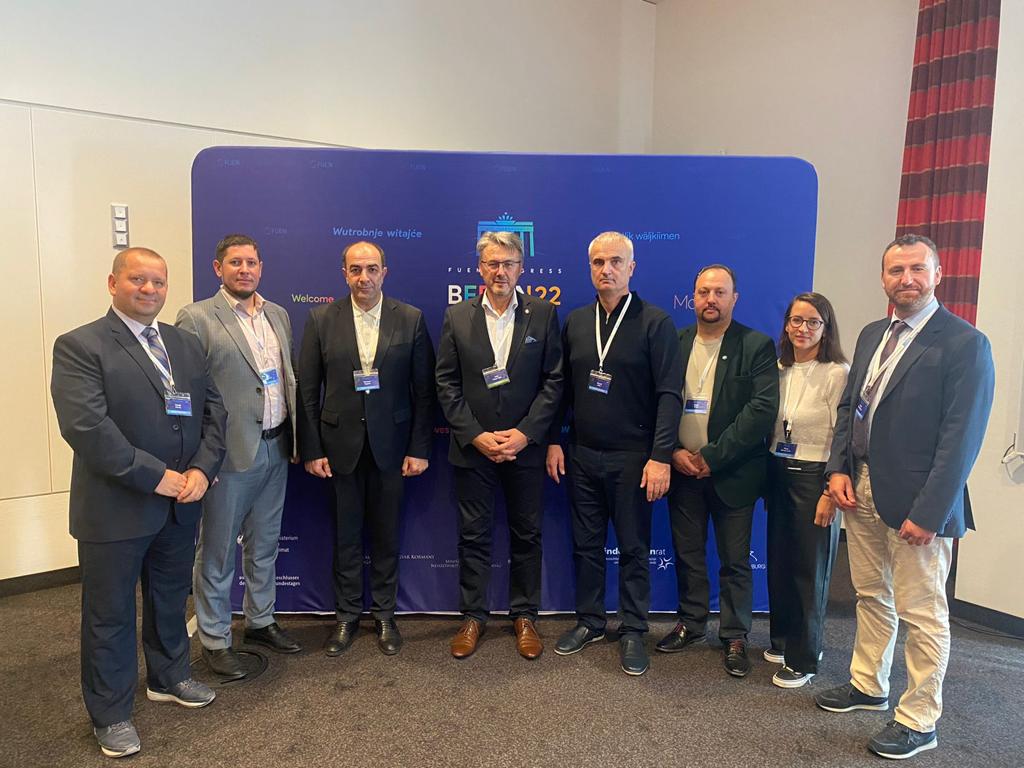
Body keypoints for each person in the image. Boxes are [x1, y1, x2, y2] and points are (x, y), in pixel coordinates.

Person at [816, 234, 994, 760]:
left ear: (938, 275)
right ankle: (868, 684)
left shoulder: (964, 343)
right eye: (896, 270)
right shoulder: (873, 333)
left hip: (919, 501)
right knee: (871, 595)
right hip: (861, 487)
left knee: (922, 613)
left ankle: (920, 719)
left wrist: (931, 511)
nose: (907, 279)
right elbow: (850, 407)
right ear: (883, 278)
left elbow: (961, 439)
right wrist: (838, 469)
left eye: (918, 269)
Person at [51, 248, 226, 758]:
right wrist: (158, 478)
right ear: (113, 283)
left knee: (169, 598)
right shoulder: (80, 346)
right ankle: (110, 713)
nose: (149, 289)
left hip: (181, 502)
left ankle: (169, 677)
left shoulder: (184, 343)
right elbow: (87, 428)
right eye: (138, 279)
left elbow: (215, 413)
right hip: (116, 510)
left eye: (158, 282)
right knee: (109, 615)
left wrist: (201, 470)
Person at [547, 231, 682, 676]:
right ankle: (589, 621)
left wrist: (660, 456)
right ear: (590, 268)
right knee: (586, 546)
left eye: (615, 262)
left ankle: (633, 629)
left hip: (634, 458)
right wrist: (554, 439)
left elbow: (669, 394)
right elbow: (562, 390)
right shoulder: (576, 321)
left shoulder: (655, 322)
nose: (606, 270)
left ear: (631, 268)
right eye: (598, 262)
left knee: (633, 548)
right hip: (582, 454)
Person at [298, 241, 435, 656]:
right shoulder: (321, 319)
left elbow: (424, 391)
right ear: (344, 273)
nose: (364, 278)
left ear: (384, 273)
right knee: (346, 537)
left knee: (386, 535)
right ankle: (346, 616)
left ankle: (385, 615)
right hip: (339, 447)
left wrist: (419, 448)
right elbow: (308, 391)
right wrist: (312, 449)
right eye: (355, 270)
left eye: (372, 269)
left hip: (392, 447)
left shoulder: (409, 319)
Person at [176, 234, 302, 680]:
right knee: (217, 549)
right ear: (218, 268)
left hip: (277, 445)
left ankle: (260, 621)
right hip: (226, 457)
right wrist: (200, 460)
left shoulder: (277, 314)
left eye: (251, 262)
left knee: (265, 543)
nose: (244, 270)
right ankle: (214, 637)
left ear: (261, 268)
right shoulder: (196, 318)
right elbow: (187, 393)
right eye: (235, 262)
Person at [436, 231, 563, 659]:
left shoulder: (543, 314)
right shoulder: (457, 316)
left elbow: (554, 381)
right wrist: (475, 435)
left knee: (527, 533)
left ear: (521, 269)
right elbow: (446, 383)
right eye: (493, 263)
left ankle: (524, 616)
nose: (501, 272)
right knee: (473, 535)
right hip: (474, 449)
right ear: (480, 268)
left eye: (509, 264)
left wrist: (525, 434)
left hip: (525, 448)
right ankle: (473, 617)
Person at [656, 264, 778, 678]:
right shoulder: (676, 342)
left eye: (720, 292)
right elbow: (658, 401)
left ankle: (735, 635)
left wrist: (712, 456)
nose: (711, 299)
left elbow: (761, 410)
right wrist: (673, 452)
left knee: (735, 561)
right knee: (688, 554)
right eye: (704, 292)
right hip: (682, 470)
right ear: (692, 297)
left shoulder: (755, 345)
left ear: (734, 298)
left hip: (732, 473)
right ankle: (691, 624)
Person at [764, 292, 848, 689]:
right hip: (778, 471)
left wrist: (830, 491)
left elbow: (842, 436)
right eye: (796, 320)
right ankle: (783, 640)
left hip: (815, 476)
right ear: (786, 325)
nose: (803, 329)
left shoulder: (837, 373)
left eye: (813, 322)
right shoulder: (779, 368)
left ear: (826, 329)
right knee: (781, 562)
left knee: (809, 570)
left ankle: (805, 657)